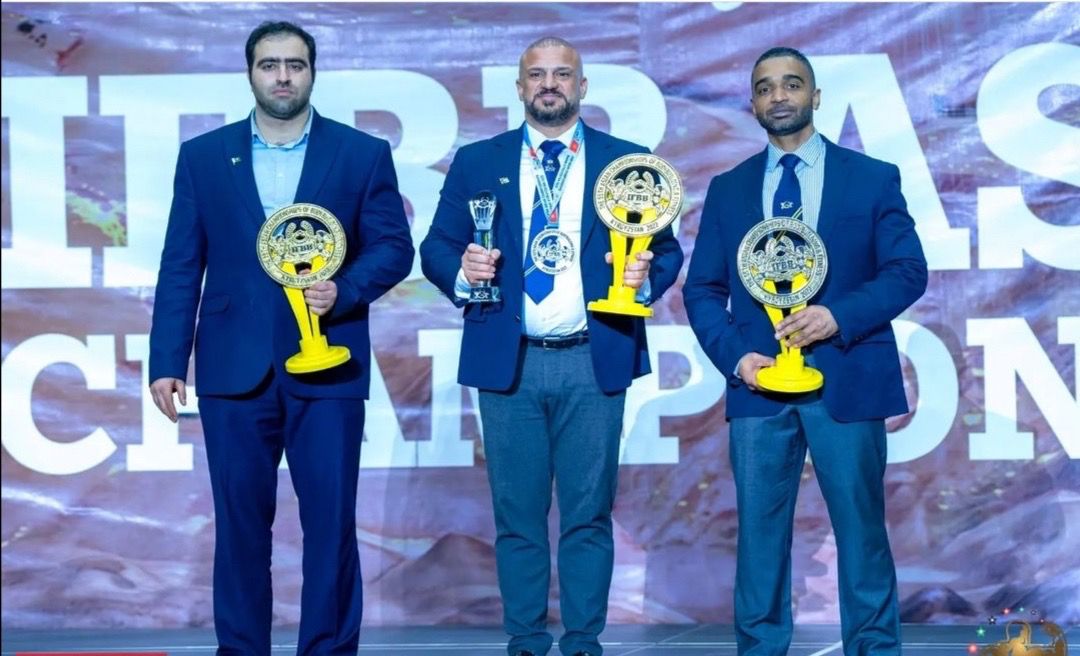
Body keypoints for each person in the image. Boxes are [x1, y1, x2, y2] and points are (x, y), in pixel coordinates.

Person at [148, 21, 413, 655]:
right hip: (232, 368)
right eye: (270, 65)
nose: (283, 76)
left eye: (295, 64)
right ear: (251, 73)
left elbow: (393, 246)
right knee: (240, 528)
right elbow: (181, 263)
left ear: (312, 72)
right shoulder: (204, 156)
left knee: (331, 526)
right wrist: (166, 359)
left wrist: (345, 290)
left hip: (330, 363)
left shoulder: (360, 153)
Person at [420, 36, 683, 656]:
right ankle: (526, 641)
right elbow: (435, 246)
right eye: (536, 74)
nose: (549, 84)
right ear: (519, 88)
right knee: (517, 516)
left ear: (582, 87)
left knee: (588, 513)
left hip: (595, 356)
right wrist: (463, 271)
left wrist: (644, 279)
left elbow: (667, 251)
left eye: (562, 74)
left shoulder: (628, 161)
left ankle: (584, 641)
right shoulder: (478, 161)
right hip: (508, 361)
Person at [683, 47, 927, 656]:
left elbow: (907, 271)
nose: (779, 96)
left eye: (792, 84)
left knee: (861, 531)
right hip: (760, 385)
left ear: (815, 97)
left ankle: (874, 649)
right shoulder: (729, 189)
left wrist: (836, 317)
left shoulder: (872, 178)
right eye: (766, 87)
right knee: (759, 538)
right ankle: (761, 649)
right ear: (753, 103)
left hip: (848, 376)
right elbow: (703, 289)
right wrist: (738, 358)